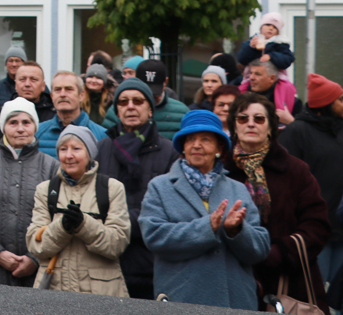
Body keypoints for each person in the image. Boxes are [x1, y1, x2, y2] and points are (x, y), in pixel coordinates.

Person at [139, 109, 270, 309]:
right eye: (190, 139)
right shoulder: (160, 186)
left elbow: (260, 248)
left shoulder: (238, 189)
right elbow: (154, 236)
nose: (197, 145)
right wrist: (207, 227)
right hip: (181, 300)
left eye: (206, 139)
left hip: (234, 302)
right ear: (183, 145)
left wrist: (236, 231)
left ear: (219, 147)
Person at [223, 92, 330, 310]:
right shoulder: (221, 171)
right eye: (243, 118)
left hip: (288, 282)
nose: (250, 124)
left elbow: (316, 224)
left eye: (259, 119)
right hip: (232, 278)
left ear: (271, 127)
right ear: (234, 127)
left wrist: (279, 253)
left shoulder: (296, 170)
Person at [95, 78, 179, 300]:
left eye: (138, 101)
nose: (130, 106)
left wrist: (119, 223)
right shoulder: (103, 147)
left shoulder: (168, 151)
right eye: (123, 102)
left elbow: (168, 208)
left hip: (149, 264)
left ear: (150, 109)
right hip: (107, 261)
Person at [0, 97, 60, 286]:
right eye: (13, 122)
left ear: (35, 125)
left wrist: (34, 258)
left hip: (38, 271)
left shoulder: (51, 167)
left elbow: (58, 219)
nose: (20, 128)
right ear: (3, 127)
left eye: (26, 122)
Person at [26, 125, 130, 296]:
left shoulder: (112, 188)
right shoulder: (45, 190)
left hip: (101, 293)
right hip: (54, 291)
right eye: (63, 149)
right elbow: (36, 245)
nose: (69, 155)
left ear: (89, 153)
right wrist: (62, 227)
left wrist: (84, 224)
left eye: (76, 148)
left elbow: (117, 244)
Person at [279, 73, 343, 287]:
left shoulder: (341, 129)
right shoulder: (297, 131)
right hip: (314, 229)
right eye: (340, 100)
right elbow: (286, 179)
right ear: (325, 103)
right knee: (316, 293)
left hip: (341, 228)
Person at [103, 59, 188, 140]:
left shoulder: (181, 113)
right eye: (145, 93)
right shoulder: (117, 110)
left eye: (155, 93)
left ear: (165, 82)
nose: (150, 97)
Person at [36, 72, 107, 158]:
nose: (62, 94)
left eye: (69, 89)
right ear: (52, 96)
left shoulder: (101, 136)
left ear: (81, 95)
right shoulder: (37, 133)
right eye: (57, 90)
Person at [242, 60, 302, 126]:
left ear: (272, 78)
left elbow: (305, 133)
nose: (251, 77)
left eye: (257, 74)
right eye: (251, 73)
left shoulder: (292, 102)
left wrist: (290, 121)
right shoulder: (241, 97)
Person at [0, 47, 26, 115]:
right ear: (6, 64)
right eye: (10, 61)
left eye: (17, 61)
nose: (14, 64)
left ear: (24, 63)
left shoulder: (34, 87)